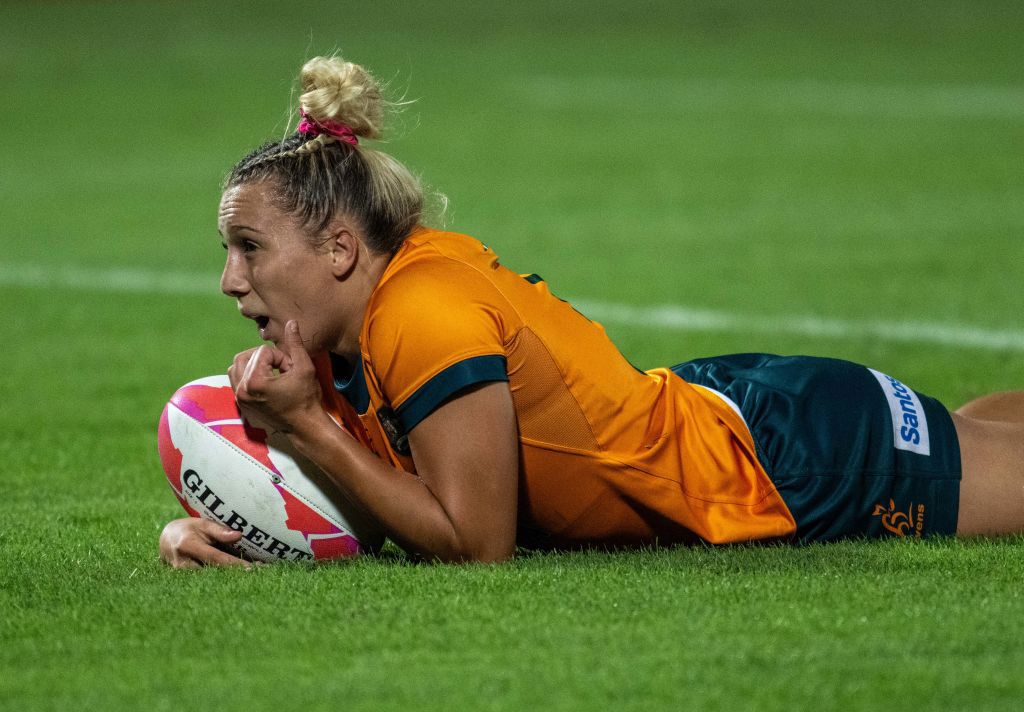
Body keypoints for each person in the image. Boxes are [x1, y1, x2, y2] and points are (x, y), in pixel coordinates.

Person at [159, 56, 1024, 568]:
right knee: (981, 436)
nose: (230, 281)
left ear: (341, 251)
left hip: (790, 466)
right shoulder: (343, 339)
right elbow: (363, 512)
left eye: (250, 248)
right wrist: (208, 532)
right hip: (728, 412)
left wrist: (309, 427)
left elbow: (476, 544)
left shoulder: (421, 312)